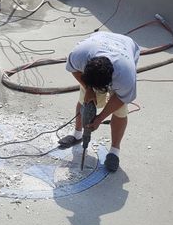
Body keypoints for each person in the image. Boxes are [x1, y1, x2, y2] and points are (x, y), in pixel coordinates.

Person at [60, 32, 140, 172]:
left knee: (120, 112)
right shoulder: (79, 55)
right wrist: (88, 88)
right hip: (99, 41)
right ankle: (77, 134)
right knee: (84, 99)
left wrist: (100, 118)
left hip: (126, 47)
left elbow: (121, 98)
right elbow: (73, 70)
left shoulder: (125, 76)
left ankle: (114, 151)